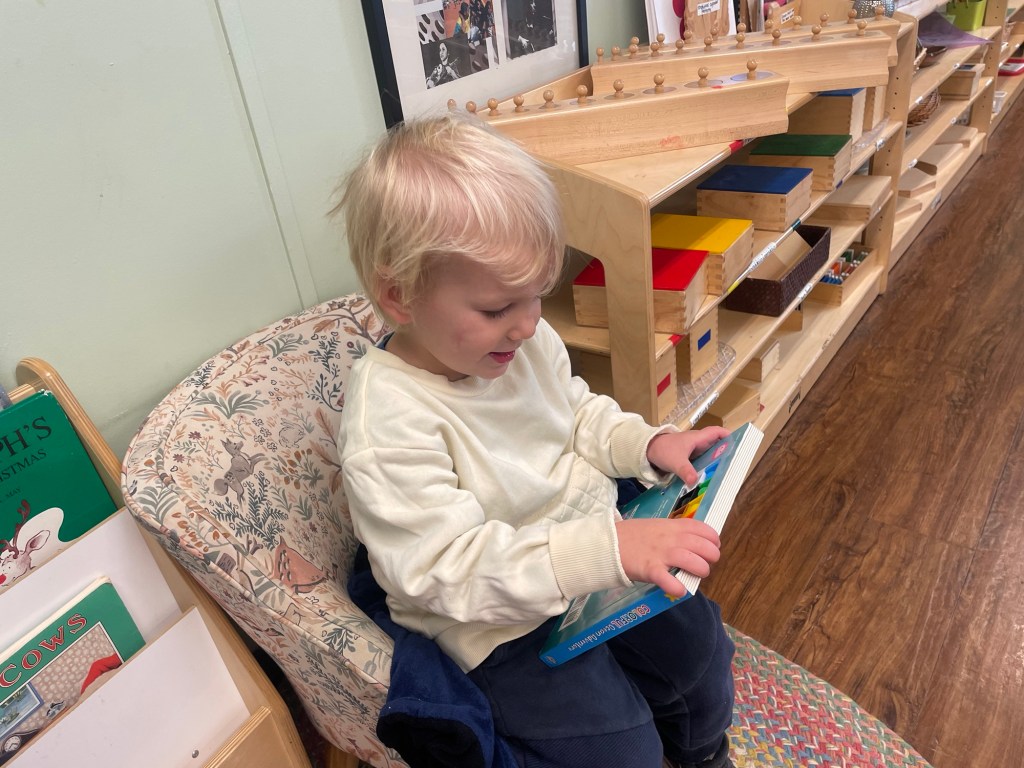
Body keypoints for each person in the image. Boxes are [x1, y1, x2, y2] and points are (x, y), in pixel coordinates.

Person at [334, 113, 736, 768]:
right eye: (498, 308)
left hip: (591, 556)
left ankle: (705, 754)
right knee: (621, 751)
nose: (527, 326)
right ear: (399, 296)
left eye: (536, 296)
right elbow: (445, 571)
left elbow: (575, 413)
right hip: (494, 622)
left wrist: (645, 444)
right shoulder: (389, 420)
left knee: (701, 653)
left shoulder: (518, 340)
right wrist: (602, 549)